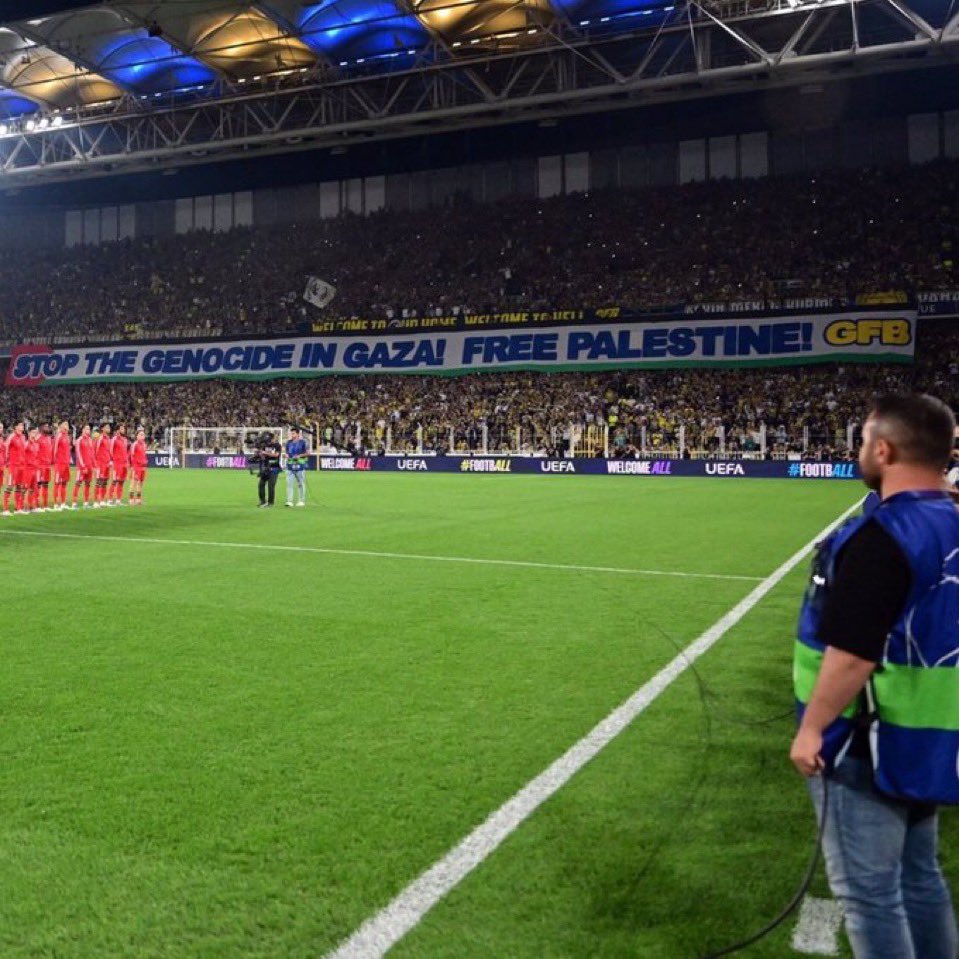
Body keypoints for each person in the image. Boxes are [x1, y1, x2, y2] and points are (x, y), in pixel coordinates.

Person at [791, 393, 959, 959]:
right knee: (920, 879)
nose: (861, 450)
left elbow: (853, 653)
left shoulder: (882, 536)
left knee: (870, 897)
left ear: (883, 449)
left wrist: (813, 728)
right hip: (927, 734)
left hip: (867, 741)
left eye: (863, 440)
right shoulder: (951, 518)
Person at [284, 426, 309, 507]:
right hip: (290, 465)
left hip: (300, 465)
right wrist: (286, 455)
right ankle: (289, 501)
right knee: (289, 484)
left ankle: (301, 500)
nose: (292, 435)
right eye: (291, 433)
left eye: (293, 433)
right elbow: (287, 452)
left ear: (298, 434)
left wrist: (299, 456)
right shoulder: (288, 442)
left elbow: (307, 453)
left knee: (300, 483)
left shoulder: (303, 442)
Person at [256, 432, 282, 508]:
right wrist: (260, 454)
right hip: (265, 467)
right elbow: (263, 457)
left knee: (271, 486)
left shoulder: (277, 445)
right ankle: (262, 501)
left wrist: (265, 452)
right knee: (261, 484)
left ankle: (270, 503)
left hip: (275, 468)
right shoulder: (264, 445)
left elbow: (276, 455)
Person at [72, 424, 95, 509]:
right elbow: (78, 453)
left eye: (89, 429)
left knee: (88, 484)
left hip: (89, 466)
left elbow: (92, 453)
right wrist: (83, 465)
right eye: (86, 429)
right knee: (78, 483)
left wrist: (93, 465)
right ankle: (74, 503)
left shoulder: (90, 440)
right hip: (82, 466)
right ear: (83, 430)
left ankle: (86, 502)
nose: (88, 431)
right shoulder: (79, 440)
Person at [52, 421, 72, 510]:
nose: (67, 426)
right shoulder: (59, 435)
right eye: (65, 424)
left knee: (64, 483)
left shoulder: (67, 436)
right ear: (60, 426)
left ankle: (63, 503)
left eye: (67, 424)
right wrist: (55, 461)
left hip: (66, 463)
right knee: (57, 483)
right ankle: (56, 504)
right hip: (59, 463)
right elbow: (55, 449)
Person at [93, 423, 112, 507]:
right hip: (100, 463)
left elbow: (108, 451)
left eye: (109, 427)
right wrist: (96, 462)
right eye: (107, 427)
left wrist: (110, 460)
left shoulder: (108, 438)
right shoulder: (100, 437)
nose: (109, 428)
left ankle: (102, 500)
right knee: (99, 482)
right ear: (102, 429)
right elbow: (95, 449)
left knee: (104, 482)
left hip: (107, 464)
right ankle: (96, 501)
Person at [110, 424, 129, 506]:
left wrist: (127, 462)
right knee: (114, 481)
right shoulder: (114, 439)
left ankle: (118, 500)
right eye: (121, 428)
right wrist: (111, 460)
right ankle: (110, 500)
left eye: (124, 428)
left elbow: (125, 452)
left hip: (124, 464)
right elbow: (110, 450)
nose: (123, 430)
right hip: (117, 463)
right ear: (118, 430)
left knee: (121, 482)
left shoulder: (125, 440)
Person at [36, 423, 54, 510]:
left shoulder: (49, 438)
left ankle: (45, 505)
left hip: (47, 466)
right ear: (41, 427)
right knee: (38, 485)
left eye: (48, 426)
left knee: (46, 485)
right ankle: (36, 505)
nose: (48, 428)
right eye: (46, 426)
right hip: (39, 465)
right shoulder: (38, 437)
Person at [130, 428, 148, 506]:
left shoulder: (144, 444)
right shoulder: (135, 444)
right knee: (133, 483)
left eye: (143, 435)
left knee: (140, 483)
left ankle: (138, 500)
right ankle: (131, 500)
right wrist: (134, 466)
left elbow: (144, 455)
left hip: (143, 467)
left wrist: (145, 462)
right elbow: (132, 456)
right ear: (137, 436)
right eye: (141, 434)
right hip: (136, 467)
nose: (142, 436)